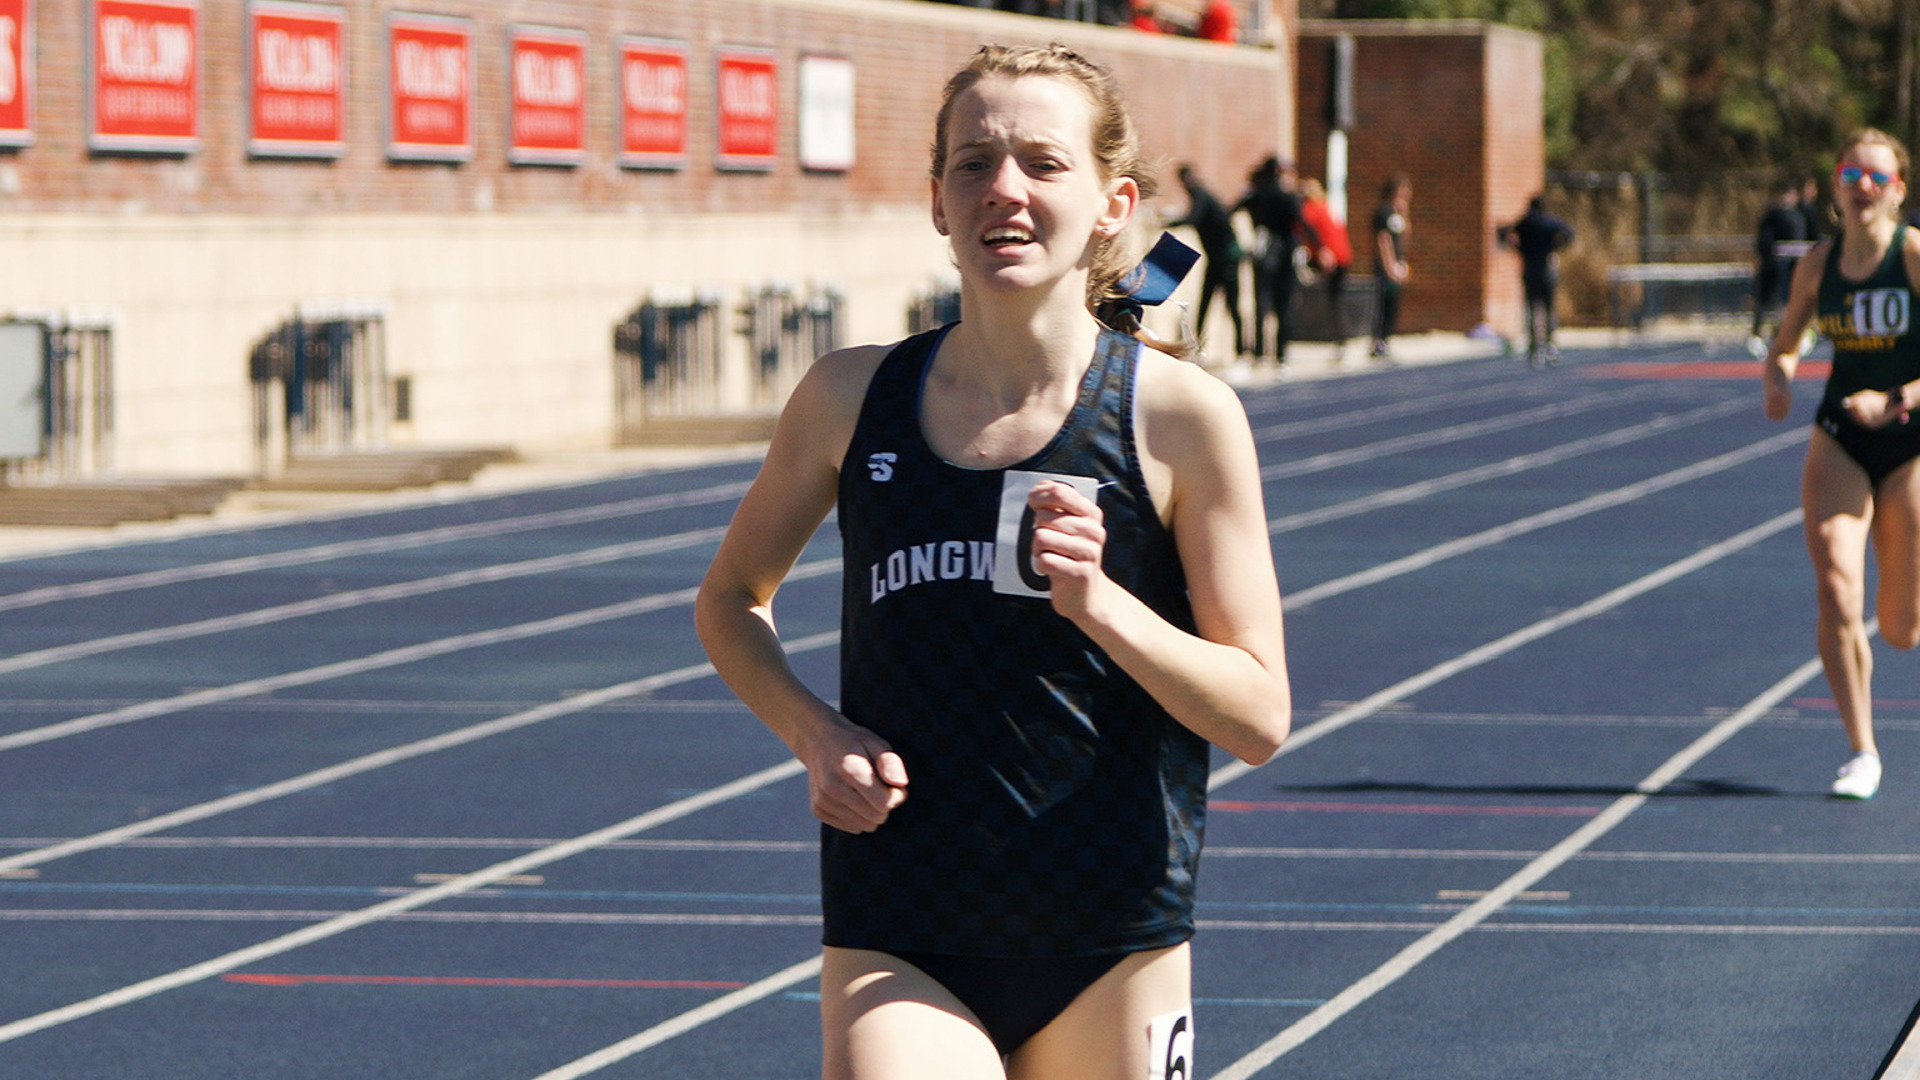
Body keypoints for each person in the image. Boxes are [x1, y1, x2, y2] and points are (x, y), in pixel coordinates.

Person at [694, 42, 1291, 1079]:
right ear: (935, 200)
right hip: (905, 927)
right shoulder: (848, 399)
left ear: (1114, 202)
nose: (1003, 190)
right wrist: (815, 733)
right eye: (974, 163)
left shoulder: (1182, 419)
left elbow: (1259, 716)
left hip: (1111, 934)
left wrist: (1103, 605)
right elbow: (730, 602)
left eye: (1042, 163)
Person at [1761, 128, 1920, 801]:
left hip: (1911, 437)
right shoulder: (1817, 265)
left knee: (1903, 628)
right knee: (1835, 583)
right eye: (1850, 174)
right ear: (1834, 185)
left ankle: (1902, 615)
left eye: (1876, 178)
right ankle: (1862, 748)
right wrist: (1779, 374)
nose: (1862, 187)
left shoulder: (1911, 255)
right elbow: (1788, 339)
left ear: (1898, 191)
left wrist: (1894, 398)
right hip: (1839, 437)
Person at [1237, 155, 1317, 368]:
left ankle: (1259, 352)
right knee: (1284, 305)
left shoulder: (1257, 195)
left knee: (1261, 304)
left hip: (1263, 250)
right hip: (1285, 252)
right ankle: (1281, 354)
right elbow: (1301, 221)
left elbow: (1234, 208)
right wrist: (1319, 245)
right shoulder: (1288, 196)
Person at [1170, 164, 1247, 359]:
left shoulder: (1201, 195)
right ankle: (1196, 346)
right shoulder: (1200, 194)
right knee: (1205, 302)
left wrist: (1169, 222)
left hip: (1226, 257)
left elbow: (1193, 218)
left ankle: (1243, 349)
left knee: (1231, 304)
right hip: (1215, 259)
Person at [1497, 194, 1576, 367]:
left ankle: (1534, 348)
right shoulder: (1549, 222)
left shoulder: (1525, 223)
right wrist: (1555, 246)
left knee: (1532, 308)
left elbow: (1504, 233)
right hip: (1546, 266)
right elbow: (1570, 233)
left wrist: (1518, 249)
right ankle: (1550, 344)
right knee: (1549, 308)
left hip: (1529, 267)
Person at [1298, 178, 1353, 362]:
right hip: (1342, 254)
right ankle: (1341, 340)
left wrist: (1321, 253)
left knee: (1334, 300)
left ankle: (1340, 341)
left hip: (1331, 256)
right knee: (1337, 298)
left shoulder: (1311, 209)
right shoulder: (1325, 206)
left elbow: (1308, 232)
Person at [1749, 181, 1806, 354]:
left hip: (1792, 268)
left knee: (1790, 302)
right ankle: (1761, 333)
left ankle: (1789, 333)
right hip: (1775, 268)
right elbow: (1764, 241)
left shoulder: (1797, 216)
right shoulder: (1772, 217)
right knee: (1767, 302)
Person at [1370, 174, 1411, 359]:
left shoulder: (1399, 213)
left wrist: (1402, 263)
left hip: (1397, 263)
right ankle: (1377, 341)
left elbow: (1405, 237)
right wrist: (1390, 265)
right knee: (1382, 303)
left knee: (1393, 305)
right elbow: (1383, 240)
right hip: (1385, 266)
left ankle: (1387, 338)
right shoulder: (1384, 212)